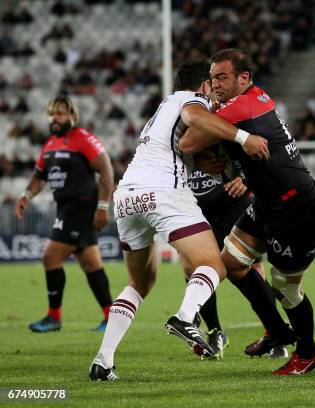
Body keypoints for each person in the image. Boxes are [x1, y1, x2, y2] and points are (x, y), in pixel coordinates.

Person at [87, 60, 270, 381]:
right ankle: (186, 317)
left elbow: (178, 144)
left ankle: (103, 361)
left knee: (139, 283)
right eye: (211, 86)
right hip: (163, 191)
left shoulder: (163, 105)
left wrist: (201, 159)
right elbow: (195, 118)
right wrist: (243, 138)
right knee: (214, 265)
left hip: (127, 194)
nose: (214, 93)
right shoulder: (194, 101)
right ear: (202, 85)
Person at [183, 48, 315, 375]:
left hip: (298, 208)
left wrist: (211, 118)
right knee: (231, 264)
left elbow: (190, 141)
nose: (215, 84)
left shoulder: (242, 105)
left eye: (222, 77)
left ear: (244, 78)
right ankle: (277, 332)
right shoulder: (250, 101)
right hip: (268, 204)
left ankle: (307, 353)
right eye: (212, 78)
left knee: (286, 288)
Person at [14, 95, 114, 333]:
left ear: (72, 115)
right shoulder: (51, 143)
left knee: (50, 258)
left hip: (81, 207)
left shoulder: (83, 139)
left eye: (60, 113)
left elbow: (106, 169)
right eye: (51, 114)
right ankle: (111, 316)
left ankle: (53, 317)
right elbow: (40, 176)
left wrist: (102, 207)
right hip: (66, 207)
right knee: (91, 264)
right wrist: (26, 196)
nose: (54, 118)